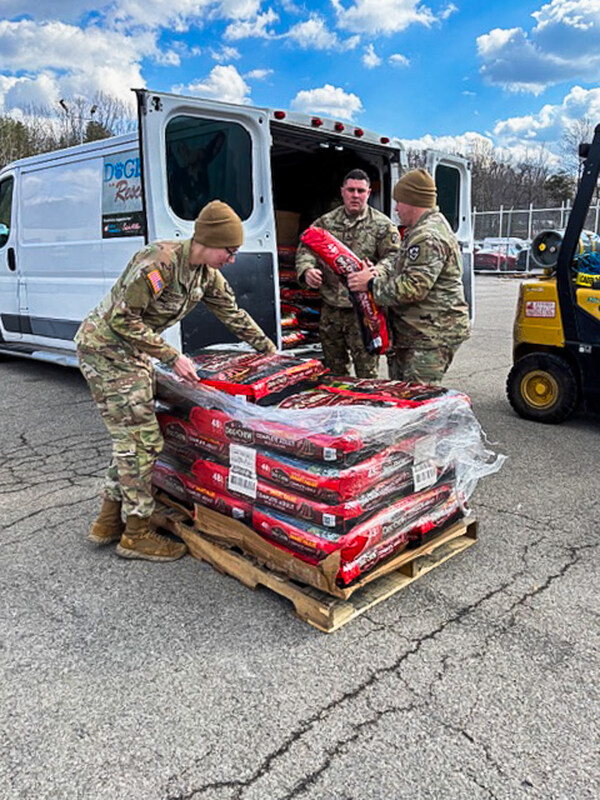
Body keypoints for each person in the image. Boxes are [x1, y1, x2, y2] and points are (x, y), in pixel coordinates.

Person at [76, 200, 276, 562]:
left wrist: (270, 351)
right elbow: (122, 321)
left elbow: (233, 313)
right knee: (142, 442)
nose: (232, 259)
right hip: (106, 351)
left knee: (131, 437)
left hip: (133, 353)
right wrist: (171, 357)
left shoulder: (205, 275)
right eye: (229, 251)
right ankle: (135, 535)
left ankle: (107, 521)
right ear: (208, 240)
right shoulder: (160, 263)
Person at [347, 169, 470, 386]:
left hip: (431, 336)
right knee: (403, 394)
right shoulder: (419, 230)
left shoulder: (427, 236)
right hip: (416, 333)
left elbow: (413, 287)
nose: (396, 208)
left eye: (399, 202)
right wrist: (376, 271)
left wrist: (371, 284)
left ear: (413, 202)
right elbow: (402, 266)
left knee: (417, 402)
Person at [295, 168, 400, 378]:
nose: (355, 195)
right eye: (351, 190)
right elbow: (306, 248)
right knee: (333, 371)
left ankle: (365, 408)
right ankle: (338, 408)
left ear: (369, 192)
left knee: (367, 373)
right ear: (342, 191)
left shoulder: (383, 226)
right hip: (331, 310)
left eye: (360, 191)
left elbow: (395, 257)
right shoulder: (325, 223)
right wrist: (307, 270)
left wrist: (375, 272)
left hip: (364, 311)